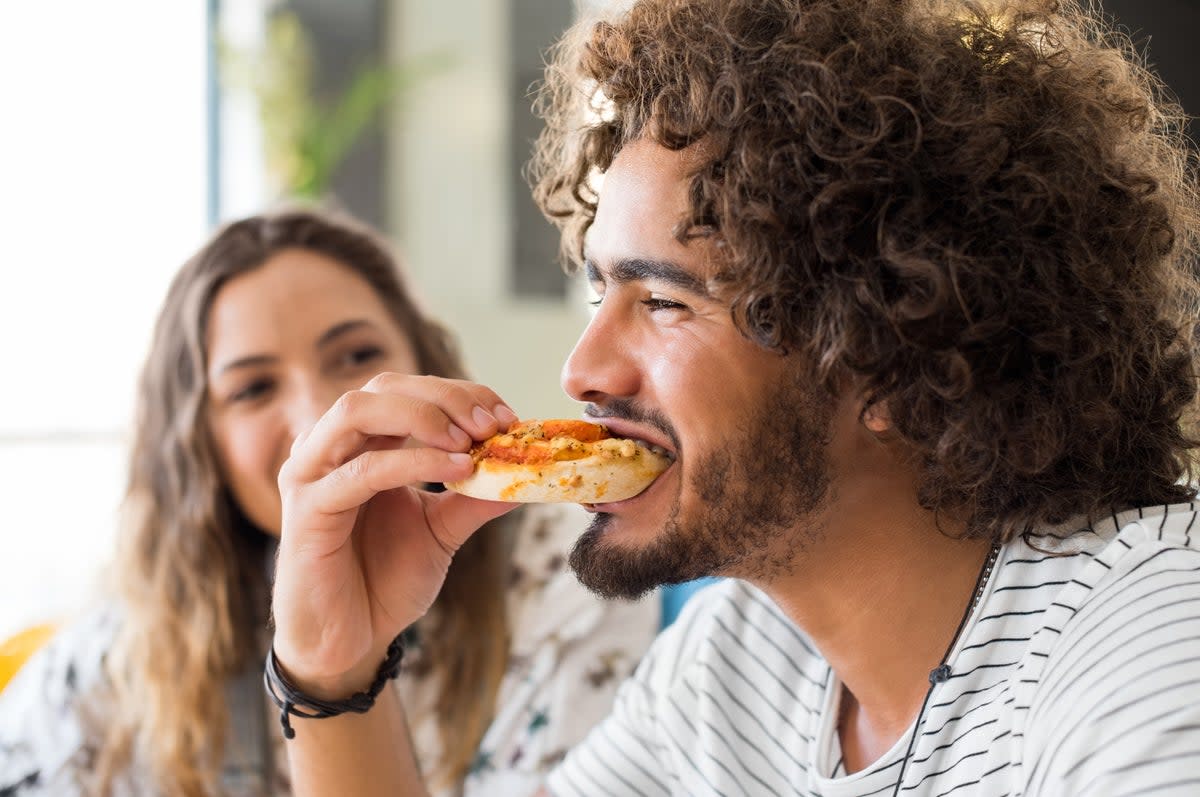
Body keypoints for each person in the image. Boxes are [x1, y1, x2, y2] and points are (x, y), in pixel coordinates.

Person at [265, 0, 1200, 794]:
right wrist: (333, 669)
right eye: (602, 293)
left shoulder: (1149, 653)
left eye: (664, 302)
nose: (583, 369)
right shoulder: (742, 655)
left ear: (884, 345)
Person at [0, 208, 659, 797]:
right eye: (254, 388)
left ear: (424, 363)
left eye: (356, 354)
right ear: (198, 445)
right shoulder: (116, 660)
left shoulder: (574, 573)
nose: (322, 415)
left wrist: (338, 677)